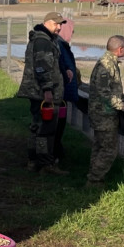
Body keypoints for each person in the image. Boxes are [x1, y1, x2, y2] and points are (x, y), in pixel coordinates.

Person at [17, 10, 66, 175]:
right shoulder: (43, 41)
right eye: (57, 23)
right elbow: (42, 67)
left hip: (37, 92)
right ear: (48, 22)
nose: (59, 27)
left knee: (36, 127)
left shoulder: (43, 39)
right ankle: (46, 165)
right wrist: (47, 89)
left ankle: (33, 161)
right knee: (46, 130)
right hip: (43, 93)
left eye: (60, 24)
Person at [86, 34, 124, 187]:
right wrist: (122, 105)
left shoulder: (108, 62)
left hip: (102, 112)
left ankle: (94, 177)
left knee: (100, 146)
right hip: (103, 114)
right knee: (109, 150)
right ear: (120, 49)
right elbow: (104, 92)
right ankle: (94, 180)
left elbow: (109, 88)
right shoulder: (106, 65)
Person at [54, 18, 81, 163]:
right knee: (58, 123)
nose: (72, 34)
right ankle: (54, 154)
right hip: (60, 94)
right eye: (72, 30)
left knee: (60, 122)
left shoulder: (61, 44)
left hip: (63, 93)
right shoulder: (58, 45)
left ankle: (57, 150)